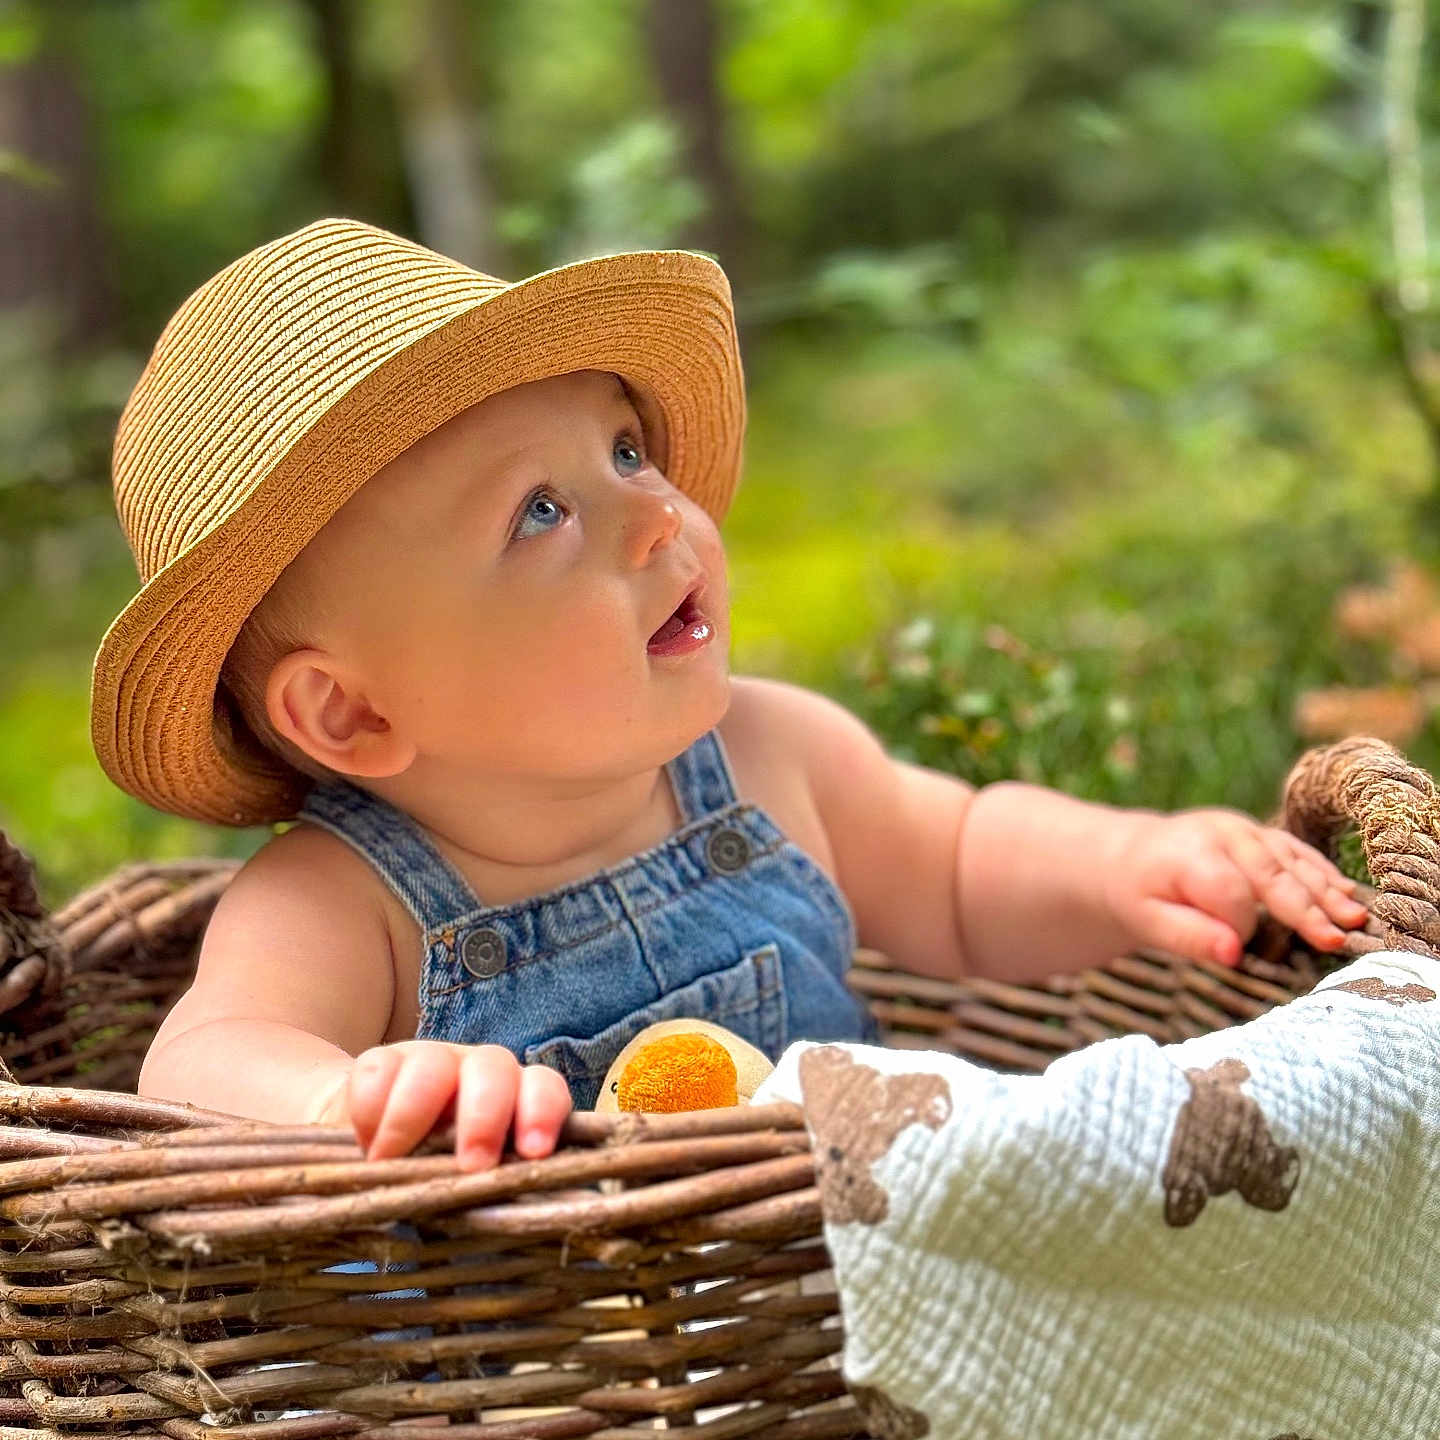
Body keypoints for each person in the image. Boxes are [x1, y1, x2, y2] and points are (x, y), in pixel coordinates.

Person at [94, 218, 1368, 1174]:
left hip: (841, 1305)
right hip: (538, 1380)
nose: (657, 518)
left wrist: (1131, 861)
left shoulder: (769, 753)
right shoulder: (341, 899)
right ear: (353, 716)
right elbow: (199, 1065)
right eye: (541, 513)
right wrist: (347, 1096)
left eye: (626, 451)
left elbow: (964, 860)